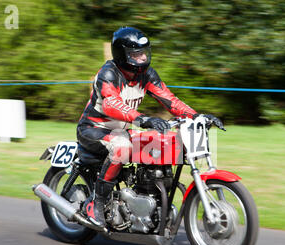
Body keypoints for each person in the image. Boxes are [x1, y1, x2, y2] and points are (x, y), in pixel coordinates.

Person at [77, 26, 224, 230]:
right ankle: (97, 205)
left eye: (144, 53)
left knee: (156, 145)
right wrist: (143, 119)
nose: (142, 58)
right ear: (122, 54)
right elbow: (112, 104)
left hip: (122, 130)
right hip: (94, 129)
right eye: (136, 54)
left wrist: (196, 116)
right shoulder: (108, 73)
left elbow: (169, 100)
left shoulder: (146, 74)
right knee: (123, 147)